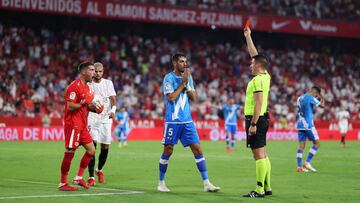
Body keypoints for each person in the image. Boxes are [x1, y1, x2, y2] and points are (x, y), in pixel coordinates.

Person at [157, 53, 220, 193]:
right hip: (172, 121)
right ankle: (161, 183)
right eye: (181, 61)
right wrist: (183, 83)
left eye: (185, 61)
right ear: (174, 63)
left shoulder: (188, 76)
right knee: (168, 150)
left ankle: (206, 183)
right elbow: (172, 98)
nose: (184, 64)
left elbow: (193, 97)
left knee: (197, 149)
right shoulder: (168, 78)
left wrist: (188, 83)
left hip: (187, 121)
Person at [58, 61, 104, 191]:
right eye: (91, 70)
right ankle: (62, 183)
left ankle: (78, 177)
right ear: (83, 72)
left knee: (91, 150)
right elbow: (70, 106)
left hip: (83, 124)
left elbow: (87, 105)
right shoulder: (74, 86)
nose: (94, 72)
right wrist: (83, 104)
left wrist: (95, 109)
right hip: (73, 124)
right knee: (70, 151)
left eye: (94, 70)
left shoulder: (88, 87)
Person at [242, 27, 272, 198]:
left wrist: (252, 124)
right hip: (263, 118)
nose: (250, 64)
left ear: (258, 66)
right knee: (264, 153)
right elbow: (255, 55)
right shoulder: (266, 76)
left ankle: (259, 189)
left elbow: (259, 102)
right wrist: (248, 37)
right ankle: (267, 187)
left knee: (258, 155)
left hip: (256, 120)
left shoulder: (257, 80)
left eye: (253, 63)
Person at [87, 62, 117, 186]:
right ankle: (91, 177)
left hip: (106, 118)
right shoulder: (88, 84)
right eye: (96, 71)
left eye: (100, 71)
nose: (98, 73)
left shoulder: (108, 83)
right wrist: (91, 107)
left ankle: (99, 170)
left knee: (105, 147)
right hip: (93, 118)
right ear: (93, 71)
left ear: (103, 72)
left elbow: (113, 99)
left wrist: (113, 111)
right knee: (92, 148)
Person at [296, 86, 325, 173]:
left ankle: (299, 167)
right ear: (315, 93)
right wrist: (322, 97)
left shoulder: (300, 97)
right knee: (317, 144)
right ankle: (307, 162)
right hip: (308, 125)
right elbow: (322, 106)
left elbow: (304, 106)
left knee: (301, 146)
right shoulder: (311, 97)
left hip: (300, 124)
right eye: (316, 94)